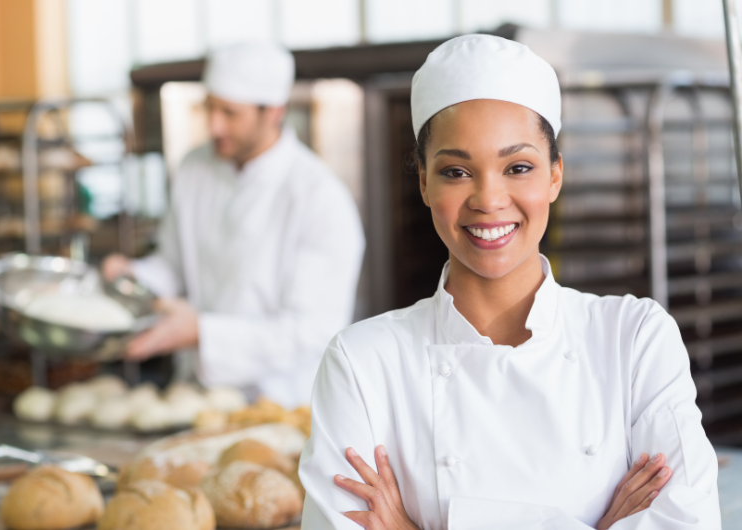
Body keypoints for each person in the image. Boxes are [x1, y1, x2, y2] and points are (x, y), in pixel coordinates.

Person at [299, 35, 720, 529]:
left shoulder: (635, 338)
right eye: (456, 171)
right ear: (424, 184)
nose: (489, 199)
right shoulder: (361, 363)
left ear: (555, 176)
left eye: (518, 167)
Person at [103, 43, 365, 409]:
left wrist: (203, 332)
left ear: (273, 111)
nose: (214, 126)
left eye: (230, 113)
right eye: (210, 108)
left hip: (282, 406)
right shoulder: (195, 168)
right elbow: (174, 264)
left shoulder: (318, 197)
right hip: (195, 399)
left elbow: (312, 331)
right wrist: (134, 277)